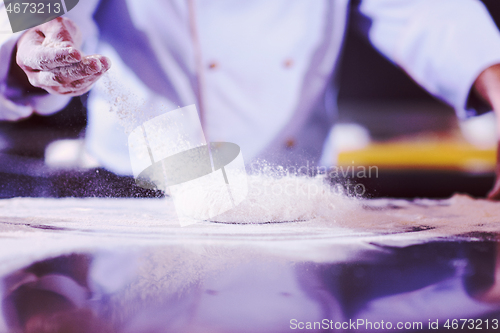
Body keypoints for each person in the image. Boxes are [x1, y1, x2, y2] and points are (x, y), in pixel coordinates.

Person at [1, 0, 500, 198]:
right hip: (133, 194)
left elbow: (424, 9)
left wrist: (492, 72)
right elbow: (42, 9)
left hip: (297, 198)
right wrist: (31, 37)